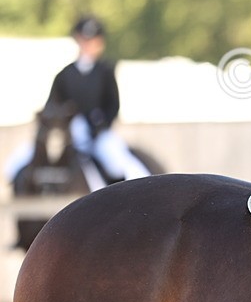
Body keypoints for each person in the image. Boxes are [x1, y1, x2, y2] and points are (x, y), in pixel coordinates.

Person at [5, 16, 151, 191]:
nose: (89, 45)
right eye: (85, 40)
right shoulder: (65, 75)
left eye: (93, 40)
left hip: (98, 133)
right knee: (15, 164)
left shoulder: (105, 72)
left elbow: (113, 105)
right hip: (67, 133)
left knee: (118, 164)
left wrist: (100, 126)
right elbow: (52, 105)